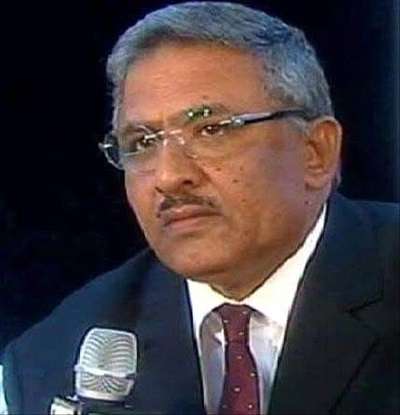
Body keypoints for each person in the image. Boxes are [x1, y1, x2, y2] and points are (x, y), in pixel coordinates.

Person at [3, 2, 399, 414]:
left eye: (211, 130)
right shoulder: (49, 359)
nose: (169, 176)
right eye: (141, 143)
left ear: (315, 152)